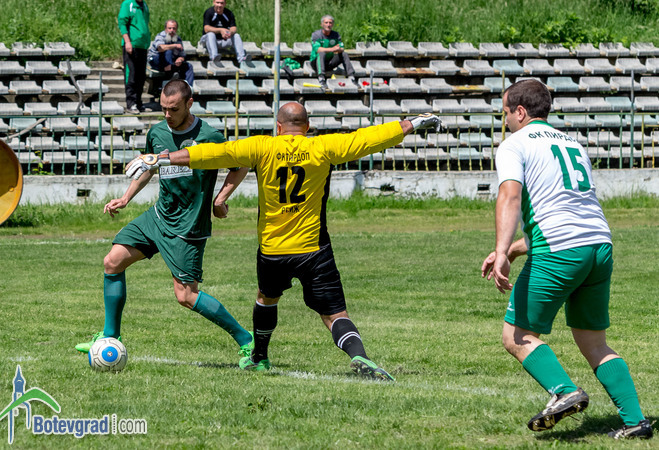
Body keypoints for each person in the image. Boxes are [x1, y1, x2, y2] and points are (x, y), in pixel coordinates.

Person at [125, 103, 442, 380]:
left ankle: (259, 357)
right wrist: (412, 123)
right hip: (313, 249)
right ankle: (360, 356)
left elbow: (210, 153)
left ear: (278, 127)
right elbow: (371, 138)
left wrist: (159, 159)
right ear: (308, 126)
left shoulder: (261, 147)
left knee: (266, 298)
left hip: (273, 250)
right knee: (335, 314)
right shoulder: (323, 147)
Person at [481, 79, 652, 440]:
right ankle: (636, 422)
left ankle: (563, 391)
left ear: (520, 112)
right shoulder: (572, 143)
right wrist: (512, 250)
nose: (505, 120)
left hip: (559, 250)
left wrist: (501, 248)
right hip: (598, 246)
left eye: (505, 113)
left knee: (516, 335)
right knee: (594, 342)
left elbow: (510, 197)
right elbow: (566, 211)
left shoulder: (514, 144)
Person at [75, 80, 253, 360]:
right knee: (112, 262)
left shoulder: (209, 136)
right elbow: (150, 167)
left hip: (188, 226)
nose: (168, 115)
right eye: (164, 109)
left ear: (189, 104)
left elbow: (240, 164)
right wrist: (126, 197)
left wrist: (220, 199)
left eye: (174, 109)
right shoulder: (157, 132)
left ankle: (246, 339)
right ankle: (110, 335)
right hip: (159, 216)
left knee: (186, 296)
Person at [118, 0, 151, 114]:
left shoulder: (144, 5)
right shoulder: (128, 4)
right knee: (131, 75)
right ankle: (131, 103)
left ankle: (138, 103)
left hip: (142, 46)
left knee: (141, 77)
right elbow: (122, 23)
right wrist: (127, 42)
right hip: (132, 45)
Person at [310, 15, 356, 90]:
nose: (328, 25)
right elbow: (318, 49)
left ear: (333, 24)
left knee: (344, 54)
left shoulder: (336, 35)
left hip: (330, 62)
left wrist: (338, 49)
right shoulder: (316, 35)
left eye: (330, 23)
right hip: (316, 63)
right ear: (321, 24)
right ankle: (321, 78)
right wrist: (332, 49)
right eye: (326, 22)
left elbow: (342, 48)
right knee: (321, 53)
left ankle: (351, 77)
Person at [148, 20, 195, 86]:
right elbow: (160, 48)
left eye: (174, 28)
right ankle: (169, 77)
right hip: (156, 60)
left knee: (188, 66)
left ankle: (188, 88)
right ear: (166, 29)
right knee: (168, 51)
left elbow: (182, 54)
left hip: (170, 62)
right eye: (169, 28)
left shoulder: (178, 39)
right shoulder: (161, 36)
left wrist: (180, 59)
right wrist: (174, 45)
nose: (172, 30)